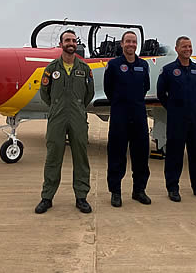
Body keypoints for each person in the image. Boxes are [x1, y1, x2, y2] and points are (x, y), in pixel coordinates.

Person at [35, 29, 95, 214]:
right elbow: (44, 93)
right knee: (53, 156)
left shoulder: (84, 69)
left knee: (81, 157)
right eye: (67, 40)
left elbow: (89, 94)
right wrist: (57, 106)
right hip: (57, 117)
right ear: (61, 44)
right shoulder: (52, 68)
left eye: (73, 40)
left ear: (76, 44)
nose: (71, 43)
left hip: (77, 116)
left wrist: (77, 107)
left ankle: (81, 197)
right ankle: (47, 197)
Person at [156, 36, 196, 202]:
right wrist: (172, 108)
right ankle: (172, 188)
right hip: (176, 120)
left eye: (190, 46)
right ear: (177, 49)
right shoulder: (168, 70)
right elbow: (160, 94)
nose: (188, 49)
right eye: (184, 46)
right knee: (174, 155)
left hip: (194, 119)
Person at [104, 30, 151, 207]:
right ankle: (116, 192)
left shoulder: (143, 65)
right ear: (122, 44)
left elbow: (145, 86)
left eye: (134, 42)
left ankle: (139, 190)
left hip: (138, 115)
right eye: (128, 41)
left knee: (140, 155)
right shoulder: (114, 65)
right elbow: (108, 88)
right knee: (116, 154)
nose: (131, 45)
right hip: (120, 116)